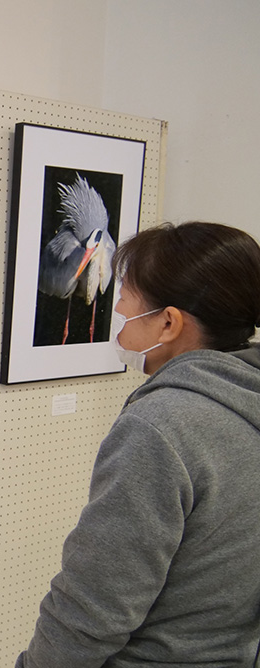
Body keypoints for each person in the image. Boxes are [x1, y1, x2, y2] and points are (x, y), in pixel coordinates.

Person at [16, 221, 260, 667]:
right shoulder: (247, 403)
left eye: (125, 311)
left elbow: (93, 606)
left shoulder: (160, 428)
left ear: (169, 323)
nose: (121, 332)